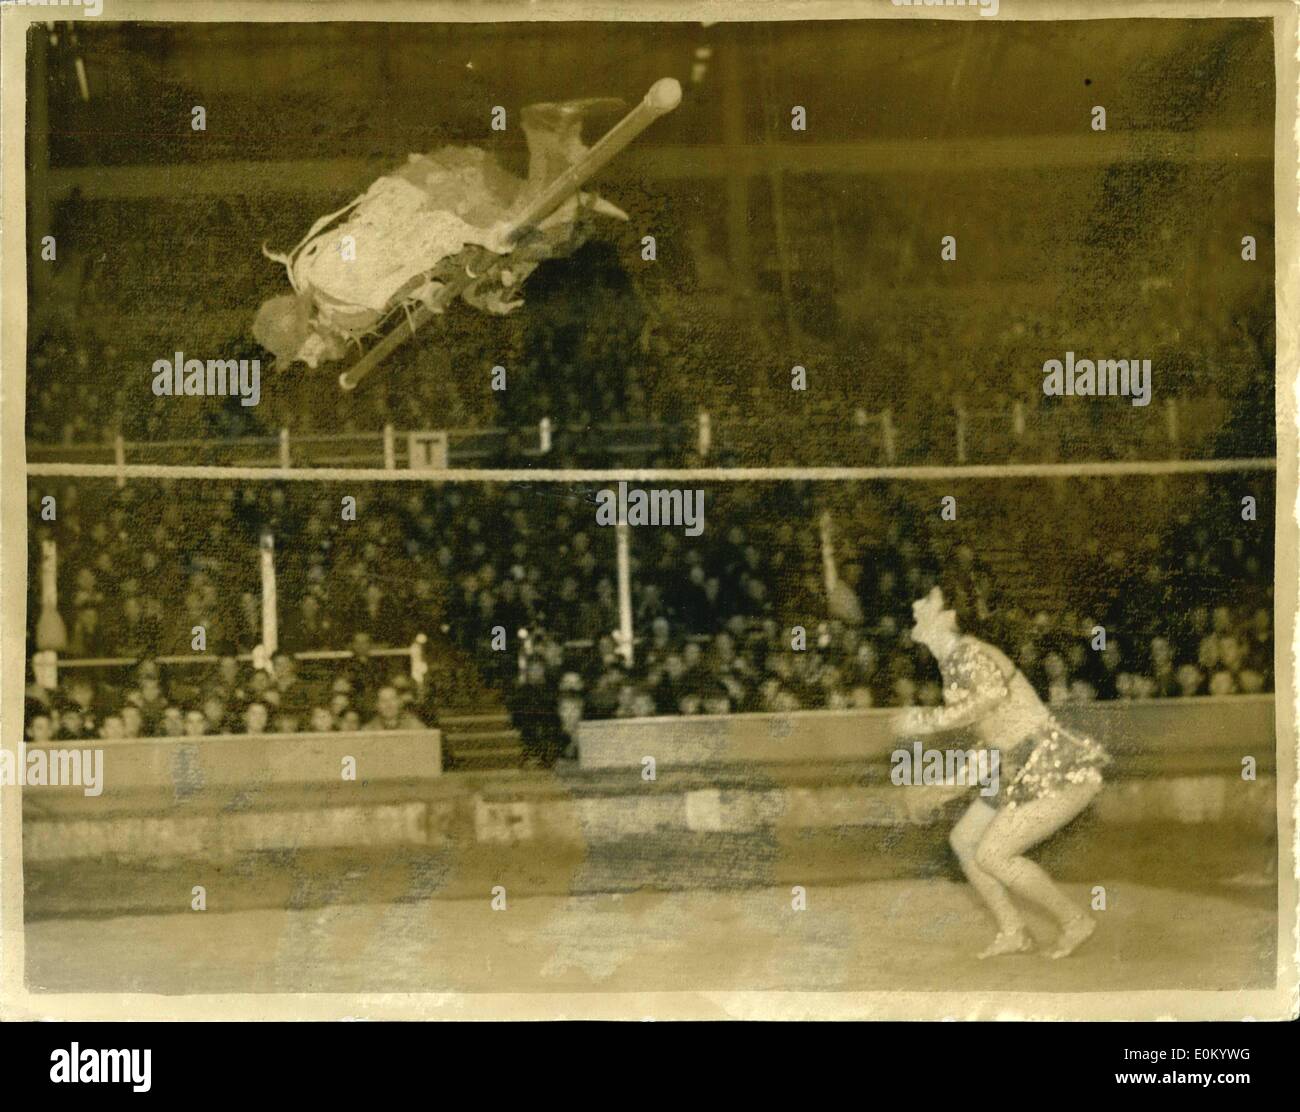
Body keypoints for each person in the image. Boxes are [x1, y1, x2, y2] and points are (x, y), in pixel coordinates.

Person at [892, 586, 1110, 960]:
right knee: (965, 841)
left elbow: (990, 697)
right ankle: (1014, 930)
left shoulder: (965, 654)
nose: (915, 605)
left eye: (928, 601)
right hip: (1022, 764)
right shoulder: (957, 661)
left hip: (1047, 764)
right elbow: (991, 745)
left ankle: (1075, 921)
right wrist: (939, 790)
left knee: (993, 854)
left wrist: (926, 720)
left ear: (948, 618)